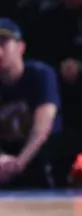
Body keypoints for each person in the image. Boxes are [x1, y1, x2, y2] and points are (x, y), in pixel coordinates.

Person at [0, 19, 67, 188]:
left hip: (38, 155)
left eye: (3, 43)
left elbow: (42, 128)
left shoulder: (40, 75)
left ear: (21, 47)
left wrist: (19, 164)